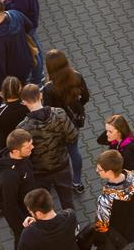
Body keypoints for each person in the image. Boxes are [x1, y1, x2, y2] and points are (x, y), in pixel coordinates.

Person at [18, 82, 77, 209]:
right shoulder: (59, 114)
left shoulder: (23, 128)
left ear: (24, 102)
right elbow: (72, 137)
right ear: (41, 96)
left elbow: (23, 155)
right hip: (62, 166)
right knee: (67, 201)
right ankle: (71, 220)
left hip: (39, 173)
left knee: (42, 204)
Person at [79, 149, 134, 249]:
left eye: (99, 169)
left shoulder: (106, 199)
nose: (96, 171)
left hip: (120, 241)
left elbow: (102, 227)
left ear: (109, 171)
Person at [43, 48, 92, 193]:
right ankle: (77, 182)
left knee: (58, 153)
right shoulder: (77, 76)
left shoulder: (49, 88)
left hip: (57, 125)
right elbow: (86, 97)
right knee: (74, 150)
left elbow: (48, 110)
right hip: (73, 122)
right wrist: (77, 107)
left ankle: (59, 180)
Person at [0, 128, 51, 245]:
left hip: (32, 208)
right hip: (24, 216)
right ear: (16, 151)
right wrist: (24, 224)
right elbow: (10, 206)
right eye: (28, 147)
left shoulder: (22, 157)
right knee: (22, 240)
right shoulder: (9, 177)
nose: (32, 147)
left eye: (31, 144)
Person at [0, 0, 35, 92]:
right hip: (26, 64)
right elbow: (29, 26)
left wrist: (0, 88)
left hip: (12, 78)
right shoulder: (15, 14)